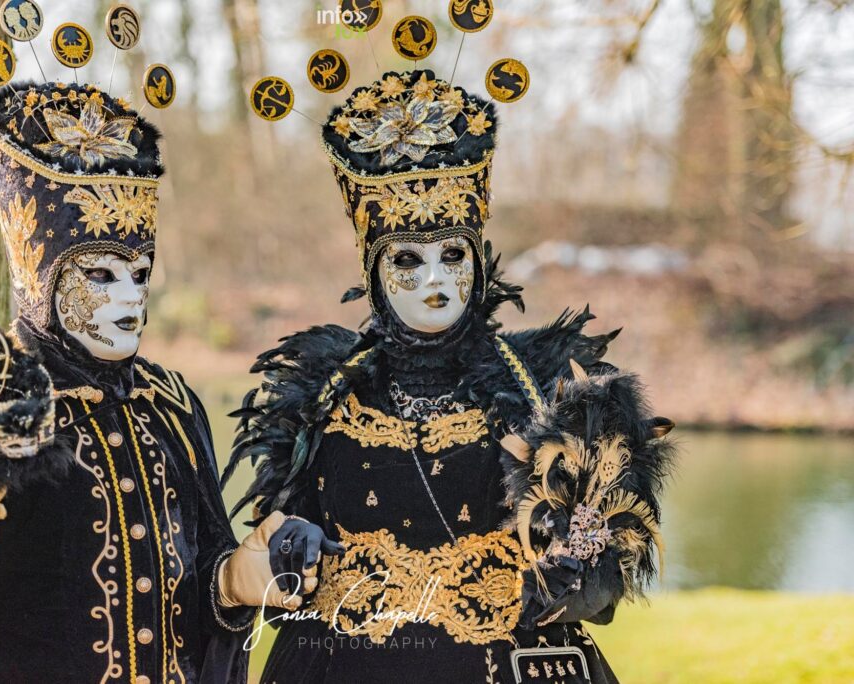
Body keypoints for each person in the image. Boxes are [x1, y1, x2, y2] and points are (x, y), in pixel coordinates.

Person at [0, 77, 296, 683]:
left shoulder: (170, 406)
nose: (130, 299)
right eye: (100, 275)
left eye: (139, 272)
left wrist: (235, 582)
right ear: (41, 275)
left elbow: (198, 575)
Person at [225, 69, 675, 683]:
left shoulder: (544, 384)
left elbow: (615, 544)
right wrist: (286, 547)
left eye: (453, 255)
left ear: (478, 256)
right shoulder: (322, 396)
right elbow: (283, 572)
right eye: (409, 259)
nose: (436, 280)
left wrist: (586, 573)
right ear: (374, 268)